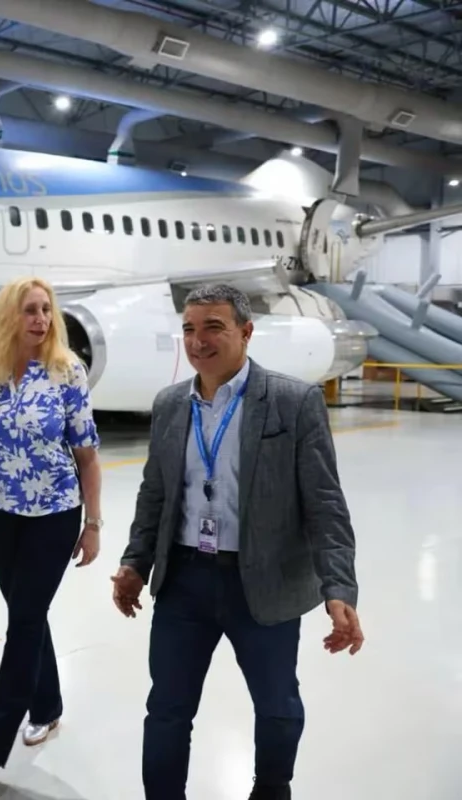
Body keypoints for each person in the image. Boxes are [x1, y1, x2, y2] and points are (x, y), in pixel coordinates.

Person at [111, 283, 364, 800]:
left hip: (264, 583)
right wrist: (135, 562)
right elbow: (154, 494)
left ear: (246, 332)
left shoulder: (293, 402)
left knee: (276, 706)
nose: (198, 341)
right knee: (167, 708)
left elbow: (325, 504)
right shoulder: (170, 405)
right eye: (189, 328)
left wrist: (339, 588)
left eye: (213, 327)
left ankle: (271, 789)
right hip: (184, 581)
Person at [0, 276, 103, 787]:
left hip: (54, 515)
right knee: (27, 616)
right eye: (30, 310)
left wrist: (93, 522)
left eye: (46, 310)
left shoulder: (66, 372)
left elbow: (88, 455)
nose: (41, 320)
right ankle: (48, 705)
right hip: (2, 515)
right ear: (9, 317)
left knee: (24, 623)